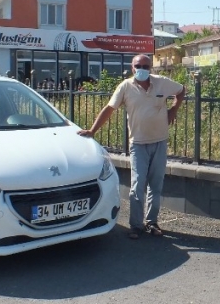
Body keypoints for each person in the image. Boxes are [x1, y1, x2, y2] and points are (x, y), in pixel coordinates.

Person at [78, 54, 185, 239]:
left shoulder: (162, 83)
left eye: (145, 65)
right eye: (138, 65)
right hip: (138, 144)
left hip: (159, 141)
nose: (141, 68)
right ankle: (136, 226)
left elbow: (182, 90)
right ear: (132, 67)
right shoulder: (125, 87)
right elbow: (109, 108)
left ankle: (152, 223)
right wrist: (92, 130)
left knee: (156, 186)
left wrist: (173, 110)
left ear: (150, 67)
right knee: (137, 185)